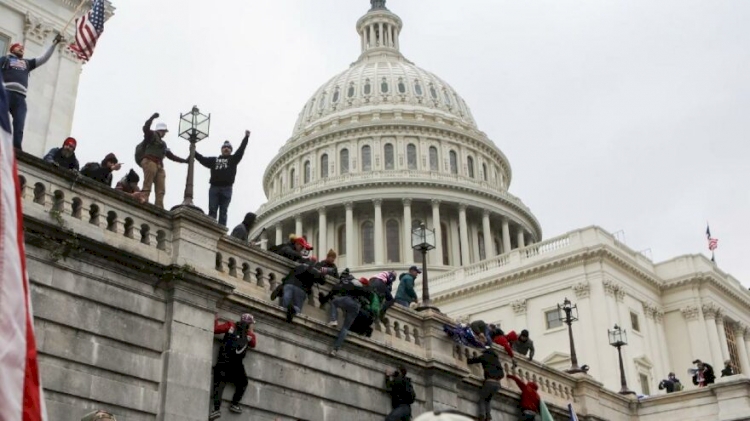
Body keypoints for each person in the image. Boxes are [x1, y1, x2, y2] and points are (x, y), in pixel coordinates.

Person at [1, 34, 63, 149]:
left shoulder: (27, 63)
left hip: (20, 98)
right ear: (12, 49)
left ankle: (17, 149)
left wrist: (54, 44)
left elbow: (43, 58)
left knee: (19, 125)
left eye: (23, 48)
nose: (22, 48)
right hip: (6, 94)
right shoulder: (5, 59)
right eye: (18, 47)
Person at [195, 131, 250, 226]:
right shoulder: (214, 160)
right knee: (212, 209)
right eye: (224, 147)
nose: (226, 149)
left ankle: (221, 231)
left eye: (228, 148)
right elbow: (202, 159)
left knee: (223, 211)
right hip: (214, 187)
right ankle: (210, 228)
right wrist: (193, 151)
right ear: (221, 149)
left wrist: (246, 138)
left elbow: (241, 150)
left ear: (231, 150)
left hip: (227, 188)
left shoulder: (233, 159)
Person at [210, 313, 257, 419]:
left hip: (223, 362)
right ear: (249, 324)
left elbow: (215, 329)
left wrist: (215, 320)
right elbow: (254, 344)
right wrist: (252, 332)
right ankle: (234, 404)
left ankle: (216, 410)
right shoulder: (249, 335)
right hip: (236, 366)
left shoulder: (230, 325)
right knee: (243, 382)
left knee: (219, 384)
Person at [137, 112, 188, 209]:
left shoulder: (163, 143)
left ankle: (159, 206)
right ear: (162, 130)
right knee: (147, 183)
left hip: (159, 165)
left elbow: (171, 156)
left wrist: (184, 161)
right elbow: (145, 128)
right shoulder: (152, 135)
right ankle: (143, 199)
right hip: (150, 161)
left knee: (161, 189)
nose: (165, 133)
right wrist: (152, 118)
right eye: (165, 131)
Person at [327, 277, 372, 356]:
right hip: (357, 307)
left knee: (334, 303)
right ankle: (335, 349)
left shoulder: (354, 282)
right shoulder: (366, 290)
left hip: (349, 299)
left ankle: (334, 320)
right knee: (345, 328)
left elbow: (341, 287)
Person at [467, 336, 504, 421]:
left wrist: (468, 360)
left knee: (482, 399)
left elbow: (474, 360)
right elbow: (502, 374)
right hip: (497, 384)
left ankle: (482, 415)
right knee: (488, 399)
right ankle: (488, 416)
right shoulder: (496, 360)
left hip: (489, 382)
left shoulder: (485, 356)